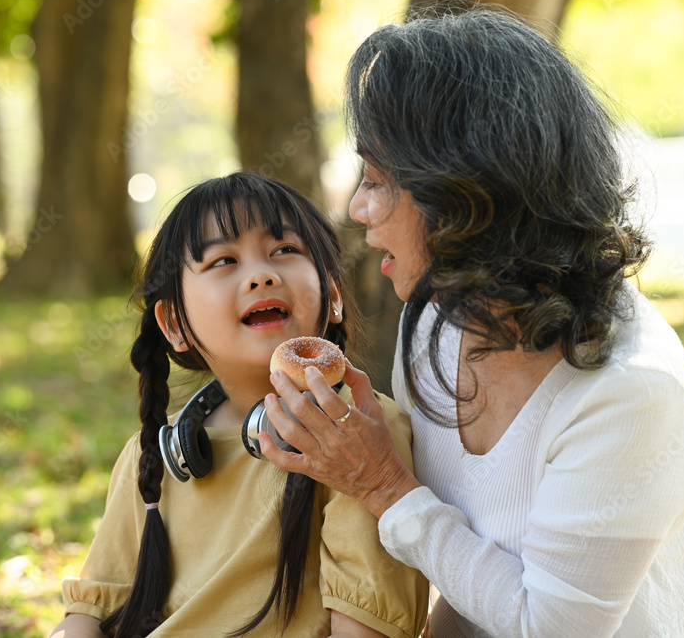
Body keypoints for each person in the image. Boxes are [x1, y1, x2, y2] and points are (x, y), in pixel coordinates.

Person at [258, 8, 684, 637]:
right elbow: (464, 558)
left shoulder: (628, 390)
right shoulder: (433, 323)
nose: (356, 209)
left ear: (465, 192)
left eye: (376, 179)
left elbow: (546, 628)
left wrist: (383, 483)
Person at [52, 172, 428, 638]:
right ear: (173, 322)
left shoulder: (358, 433)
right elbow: (90, 611)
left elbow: (367, 628)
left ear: (332, 294)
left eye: (284, 251)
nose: (262, 275)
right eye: (223, 260)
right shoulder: (150, 457)